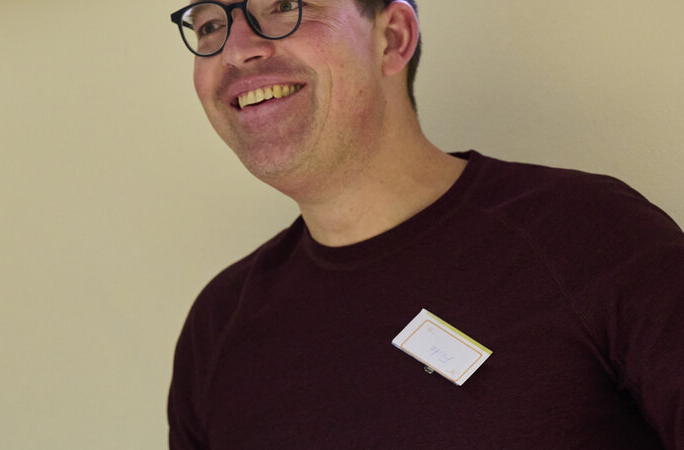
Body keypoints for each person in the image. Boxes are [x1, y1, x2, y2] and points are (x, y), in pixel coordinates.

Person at [167, 0, 684, 448]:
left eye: (284, 5)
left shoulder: (593, 237)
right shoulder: (218, 325)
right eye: (210, 25)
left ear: (393, 38)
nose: (235, 49)